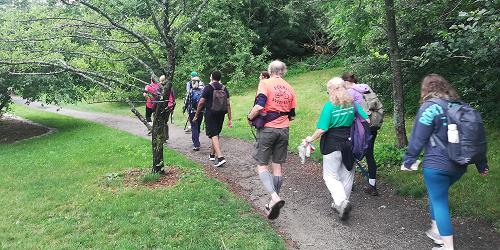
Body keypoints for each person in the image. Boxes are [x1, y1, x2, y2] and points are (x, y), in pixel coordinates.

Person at [402, 74, 489, 250]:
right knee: (436, 196)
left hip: (436, 165)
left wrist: (409, 160)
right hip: (459, 165)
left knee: (439, 200)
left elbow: (418, 137)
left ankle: (447, 245)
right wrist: (482, 164)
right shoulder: (459, 106)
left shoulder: (429, 108)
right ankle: (436, 230)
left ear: (426, 89)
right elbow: (475, 136)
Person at [304, 77, 368, 220]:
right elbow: (366, 120)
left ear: (332, 90)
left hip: (332, 144)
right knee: (347, 174)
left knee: (330, 176)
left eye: (328, 91)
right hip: (350, 143)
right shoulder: (353, 104)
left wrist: (309, 139)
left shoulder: (329, 106)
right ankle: (341, 203)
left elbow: (322, 129)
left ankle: (340, 201)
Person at [247, 60, 296, 220]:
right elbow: (292, 115)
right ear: (284, 71)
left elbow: (260, 105)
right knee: (277, 167)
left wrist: (250, 116)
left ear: (270, 70)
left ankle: (274, 197)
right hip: (284, 130)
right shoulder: (290, 88)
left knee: (262, 166)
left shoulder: (265, 83)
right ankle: (272, 201)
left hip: (268, 129)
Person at [342, 72, 384, 196]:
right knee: (369, 154)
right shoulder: (366, 88)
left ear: (345, 81)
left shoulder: (350, 92)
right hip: (373, 125)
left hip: (359, 128)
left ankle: (349, 183)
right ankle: (372, 185)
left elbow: (348, 112)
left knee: (352, 152)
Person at [193, 70, 232, 167]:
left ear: (211, 77)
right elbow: (228, 104)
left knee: (213, 134)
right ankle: (212, 154)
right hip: (221, 113)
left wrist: (197, 114)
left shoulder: (208, 88)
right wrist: (230, 118)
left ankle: (220, 157)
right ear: (220, 78)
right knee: (216, 133)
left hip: (210, 113)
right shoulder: (224, 88)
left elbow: (201, 102)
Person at [183, 76, 204, 151]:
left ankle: (196, 144)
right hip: (201, 112)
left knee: (194, 127)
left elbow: (186, 102)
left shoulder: (190, 91)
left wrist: (184, 109)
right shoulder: (202, 91)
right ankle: (197, 141)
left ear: (192, 82)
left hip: (192, 112)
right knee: (198, 126)